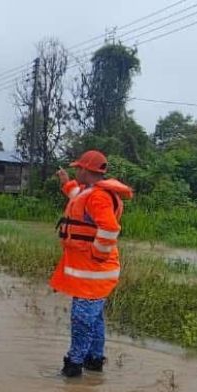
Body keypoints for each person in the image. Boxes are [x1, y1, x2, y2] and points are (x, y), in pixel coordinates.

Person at [51, 151, 133, 377]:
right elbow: (77, 196)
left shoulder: (99, 197)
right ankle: (95, 361)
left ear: (86, 170)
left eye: (78, 168)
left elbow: (110, 229)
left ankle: (73, 366)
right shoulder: (90, 192)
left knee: (82, 320)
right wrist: (65, 182)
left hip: (94, 272)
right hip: (92, 273)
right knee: (94, 319)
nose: (76, 172)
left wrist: (97, 255)